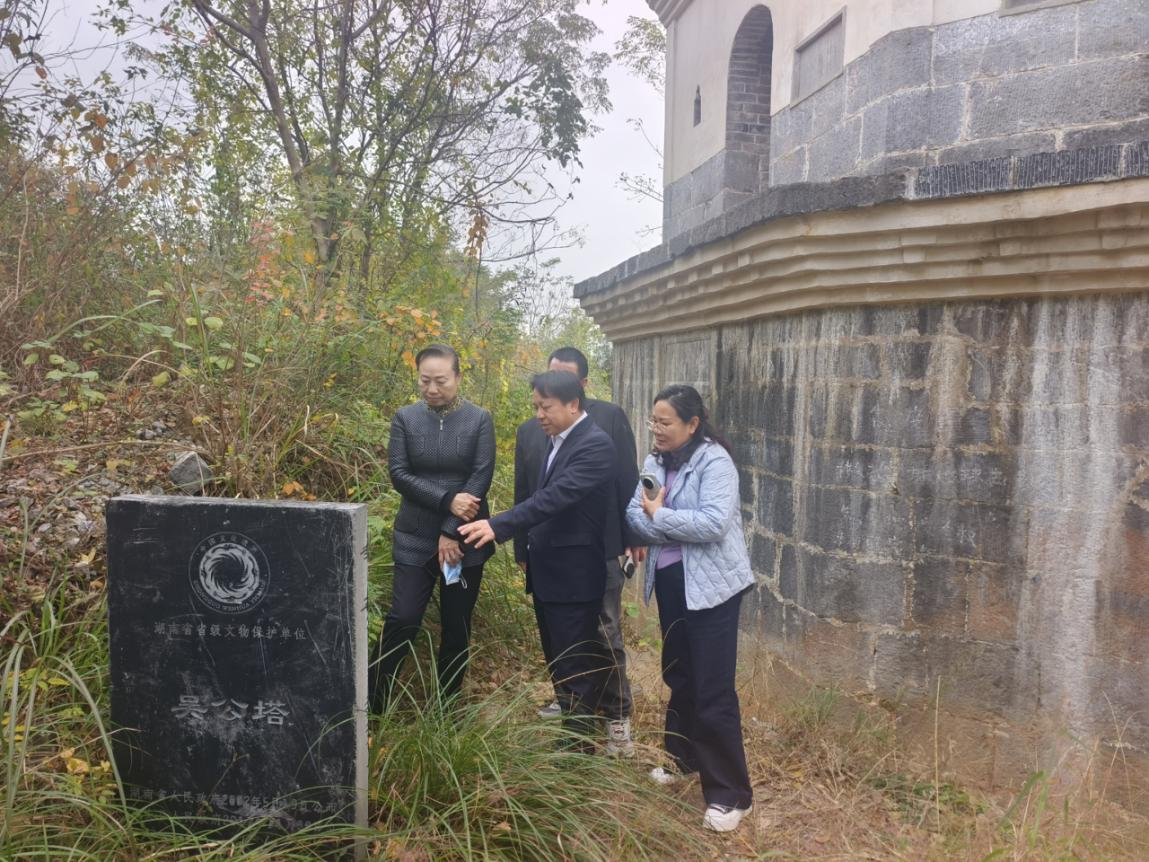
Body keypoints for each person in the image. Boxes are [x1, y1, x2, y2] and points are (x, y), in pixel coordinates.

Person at [460, 371, 615, 749]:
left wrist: (498, 525)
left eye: (545, 407)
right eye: (535, 407)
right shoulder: (554, 440)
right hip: (548, 573)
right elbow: (530, 493)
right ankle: (572, 739)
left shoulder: (595, 444)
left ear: (573, 404)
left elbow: (554, 498)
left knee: (575, 664)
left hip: (575, 576)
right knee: (559, 661)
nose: (539, 415)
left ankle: (578, 750)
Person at [625, 384, 755, 833]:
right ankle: (683, 759)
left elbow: (714, 523)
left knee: (713, 688)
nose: (657, 430)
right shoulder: (655, 462)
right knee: (679, 673)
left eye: (665, 423)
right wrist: (661, 520)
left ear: (692, 424)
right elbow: (633, 513)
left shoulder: (715, 461)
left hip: (714, 588)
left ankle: (731, 795)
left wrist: (660, 517)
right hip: (672, 582)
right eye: (653, 422)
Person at [513, 347, 643, 755]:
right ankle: (574, 710)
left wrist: (633, 535)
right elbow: (527, 491)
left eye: (563, 384)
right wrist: (521, 546)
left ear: (579, 390)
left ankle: (616, 715)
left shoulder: (604, 424)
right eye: (539, 400)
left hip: (597, 549)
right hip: (547, 554)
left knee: (603, 634)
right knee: (561, 642)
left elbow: (627, 481)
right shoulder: (532, 430)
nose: (541, 410)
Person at [369, 344, 495, 712]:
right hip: (415, 537)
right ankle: (371, 705)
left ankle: (446, 711)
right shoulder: (406, 418)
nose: (432, 389)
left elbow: (480, 476)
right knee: (403, 617)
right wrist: (446, 501)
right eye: (425, 381)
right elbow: (399, 474)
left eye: (441, 381)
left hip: (462, 541)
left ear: (458, 377)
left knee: (456, 625)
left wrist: (451, 529)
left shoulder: (479, 419)